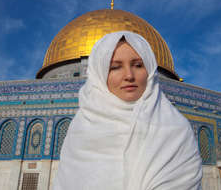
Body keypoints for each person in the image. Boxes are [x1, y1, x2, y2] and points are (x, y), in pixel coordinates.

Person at [53, 31, 202, 190]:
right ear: (99, 74)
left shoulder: (176, 131)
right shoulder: (80, 133)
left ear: (151, 71)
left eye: (138, 65)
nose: (129, 76)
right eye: (115, 67)